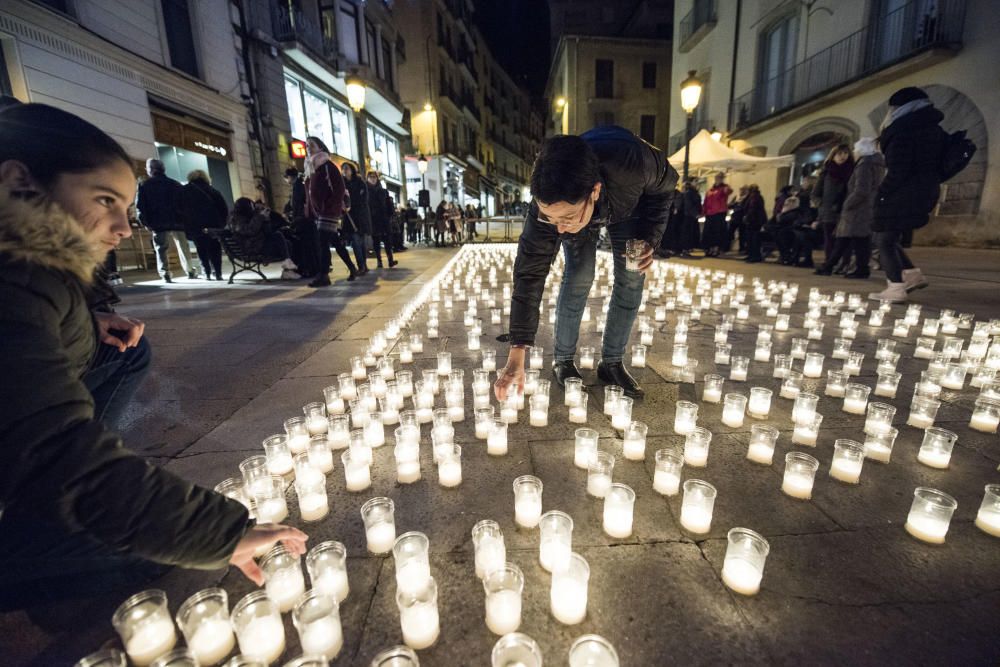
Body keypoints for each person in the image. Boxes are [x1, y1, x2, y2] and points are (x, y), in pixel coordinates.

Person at [0, 103, 307, 609]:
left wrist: (84, 323)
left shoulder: (31, 270)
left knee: (125, 354)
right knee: (161, 550)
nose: (124, 227)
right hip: (37, 468)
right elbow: (53, 451)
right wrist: (221, 535)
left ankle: (55, 511)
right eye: (104, 200)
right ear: (19, 182)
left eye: (127, 206)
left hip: (30, 460)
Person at [495, 126, 677, 401]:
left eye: (565, 218)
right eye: (550, 218)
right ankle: (564, 360)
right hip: (586, 212)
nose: (559, 229)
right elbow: (529, 272)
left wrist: (651, 236)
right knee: (579, 274)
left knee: (631, 277)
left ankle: (612, 362)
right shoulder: (550, 205)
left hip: (630, 207)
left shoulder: (635, 166)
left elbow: (666, 186)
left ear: (594, 190)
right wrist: (517, 350)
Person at [870, 86, 947, 302]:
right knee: (890, 236)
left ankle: (895, 287)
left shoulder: (904, 130)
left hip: (902, 192)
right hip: (925, 190)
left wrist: (882, 192)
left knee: (883, 239)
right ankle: (912, 275)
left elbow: (898, 169)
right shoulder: (933, 128)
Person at [815, 138, 884, 279]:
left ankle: (834, 267)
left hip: (857, 209)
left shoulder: (864, 165)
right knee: (857, 240)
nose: (853, 152)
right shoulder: (877, 164)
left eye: (855, 150)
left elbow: (861, 190)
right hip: (865, 208)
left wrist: (847, 204)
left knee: (846, 239)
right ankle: (842, 267)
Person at [303, 137, 356, 287]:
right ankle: (352, 268)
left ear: (320, 147)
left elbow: (338, 189)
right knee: (334, 242)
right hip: (319, 212)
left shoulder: (327, 166)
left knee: (322, 242)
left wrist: (329, 207)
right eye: (307, 145)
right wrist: (310, 209)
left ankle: (323, 275)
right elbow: (310, 192)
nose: (308, 148)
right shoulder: (312, 167)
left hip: (328, 211)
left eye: (311, 145)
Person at [137, 158, 196, 282]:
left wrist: (145, 222)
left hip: (157, 222)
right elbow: (185, 205)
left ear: (151, 170)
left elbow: (141, 206)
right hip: (177, 221)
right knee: (183, 246)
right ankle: (190, 270)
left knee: (161, 248)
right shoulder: (175, 184)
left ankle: (165, 273)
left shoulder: (145, 185)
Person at [227, 198, 300, 279]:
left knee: (287, 241)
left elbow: (267, 232)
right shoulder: (237, 220)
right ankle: (287, 263)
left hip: (258, 244)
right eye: (251, 206)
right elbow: (250, 230)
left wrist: (266, 219)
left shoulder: (252, 216)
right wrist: (260, 217)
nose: (253, 208)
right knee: (279, 236)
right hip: (251, 248)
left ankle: (288, 270)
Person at [177, 169, 228, 281]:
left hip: (196, 226)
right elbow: (224, 209)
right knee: (215, 248)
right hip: (213, 225)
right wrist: (221, 225)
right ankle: (218, 272)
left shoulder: (185, 191)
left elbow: (180, 209)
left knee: (201, 249)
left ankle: (207, 272)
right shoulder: (213, 191)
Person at [811, 144, 855, 264]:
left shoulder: (853, 171)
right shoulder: (826, 172)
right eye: (839, 154)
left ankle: (845, 264)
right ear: (833, 156)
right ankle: (829, 263)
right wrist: (823, 205)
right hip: (828, 212)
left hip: (846, 211)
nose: (843, 156)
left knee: (845, 240)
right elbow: (815, 194)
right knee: (830, 240)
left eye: (845, 153)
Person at [282, 167, 318, 278]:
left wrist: (295, 219)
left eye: (286, 178)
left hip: (303, 220)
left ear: (289, 177)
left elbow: (298, 204)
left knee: (306, 246)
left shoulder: (298, 187)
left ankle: (310, 269)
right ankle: (311, 268)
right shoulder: (299, 185)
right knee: (309, 245)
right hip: (305, 219)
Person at [340, 162, 371, 275]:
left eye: (347, 168)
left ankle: (363, 265)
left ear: (352, 170)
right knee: (355, 241)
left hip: (360, 216)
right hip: (349, 217)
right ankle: (361, 266)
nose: (345, 171)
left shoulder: (360, 182)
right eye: (343, 169)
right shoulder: (342, 184)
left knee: (361, 242)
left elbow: (364, 200)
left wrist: (352, 204)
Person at [366, 170, 397, 268]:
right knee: (376, 241)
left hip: (384, 219)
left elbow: (389, 204)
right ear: (367, 178)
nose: (372, 178)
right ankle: (379, 261)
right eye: (370, 177)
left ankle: (390, 260)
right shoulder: (366, 191)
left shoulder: (383, 191)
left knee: (388, 241)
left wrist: (391, 214)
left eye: (374, 176)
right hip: (373, 220)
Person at [701, 172, 732, 257]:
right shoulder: (710, 190)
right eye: (717, 177)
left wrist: (725, 186)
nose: (718, 179)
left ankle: (716, 248)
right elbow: (705, 202)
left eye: (720, 178)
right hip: (710, 214)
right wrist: (703, 212)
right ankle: (709, 248)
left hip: (719, 213)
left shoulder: (724, 188)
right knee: (708, 232)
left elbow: (729, 191)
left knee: (717, 232)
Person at [674, 179, 702, 257]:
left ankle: (688, 248)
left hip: (692, 216)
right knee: (687, 233)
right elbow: (688, 205)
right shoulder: (689, 193)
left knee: (691, 233)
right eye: (696, 182)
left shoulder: (694, 193)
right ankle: (685, 249)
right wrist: (695, 214)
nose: (697, 184)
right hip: (688, 216)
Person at [741, 184, 768, 263]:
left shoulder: (754, 197)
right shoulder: (754, 196)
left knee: (754, 239)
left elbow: (752, 209)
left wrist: (747, 217)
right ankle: (751, 255)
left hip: (754, 221)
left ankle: (754, 256)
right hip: (754, 220)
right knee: (751, 239)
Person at [728, 185, 749, 253]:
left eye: (743, 190)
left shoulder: (747, 198)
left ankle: (742, 248)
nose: (741, 191)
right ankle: (727, 246)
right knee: (730, 232)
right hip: (735, 217)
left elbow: (744, 208)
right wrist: (732, 202)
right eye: (741, 190)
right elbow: (730, 206)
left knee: (742, 234)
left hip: (741, 217)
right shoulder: (738, 198)